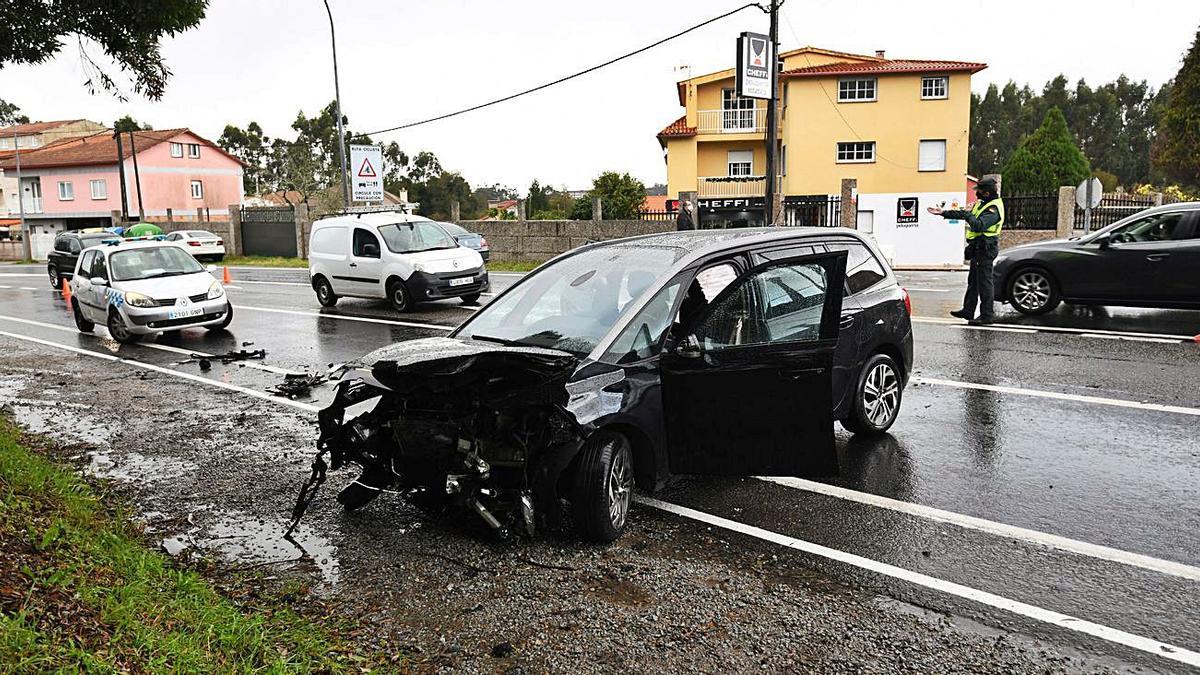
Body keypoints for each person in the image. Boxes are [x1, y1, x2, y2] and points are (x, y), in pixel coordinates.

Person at [928, 177, 1005, 325]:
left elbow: (978, 226)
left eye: (980, 191)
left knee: (984, 283)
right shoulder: (983, 204)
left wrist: (969, 214)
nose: (977, 194)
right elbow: (964, 214)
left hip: (985, 249)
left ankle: (987, 316)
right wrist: (943, 212)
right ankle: (968, 310)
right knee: (973, 282)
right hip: (977, 248)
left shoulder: (993, 209)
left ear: (987, 193)